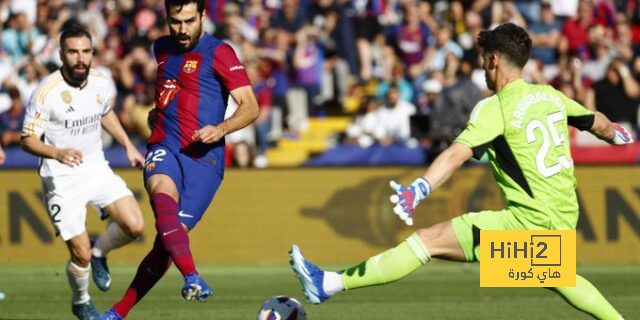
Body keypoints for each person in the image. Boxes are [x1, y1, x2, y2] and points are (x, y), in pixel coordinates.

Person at [290, 23, 632, 320]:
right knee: (555, 274)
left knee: (427, 242)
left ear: (494, 60)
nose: (482, 66)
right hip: (563, 219)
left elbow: (455, 153)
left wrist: (419, 189)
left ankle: (328, 284)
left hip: (529, 222)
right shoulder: (551, 96)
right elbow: (598, 123)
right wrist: (618, 135)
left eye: (484, 59)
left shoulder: (494, 108)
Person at [100, 0, 259, 318]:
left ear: (202, 16)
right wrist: (157, 114)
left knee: (166, 243)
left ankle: (118, 312)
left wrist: (221, 128)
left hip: (205, 159)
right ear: (167, 19)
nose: (182, 29)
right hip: (164, 146)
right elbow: (170, 92)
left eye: (189, 21)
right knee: (162, 200)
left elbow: (251, 107)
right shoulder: (161, 48)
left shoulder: (221, 52)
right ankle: (192, 277)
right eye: (175, 22)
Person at [20, 25, 146, 320]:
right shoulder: (46, 93)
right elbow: (27, 140)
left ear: (92, 53)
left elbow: (105, 113)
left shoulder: (101, 82)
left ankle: (101, 252)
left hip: (96, 167)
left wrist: (128, 145)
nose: (80, 58)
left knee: (136, 226)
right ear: (61, 54)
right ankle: (81, 302)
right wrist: (57, 152)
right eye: (73, 51)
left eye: (85, 52)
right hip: (61, 177)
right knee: (80, 254)